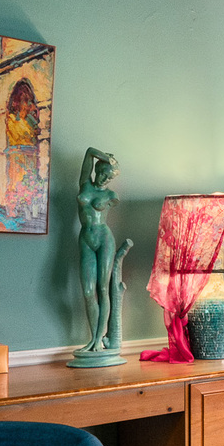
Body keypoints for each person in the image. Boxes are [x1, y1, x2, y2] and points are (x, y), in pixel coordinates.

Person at [76, 147, 120, 352]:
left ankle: (99, 340)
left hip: (104, 238)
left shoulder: (111, 194)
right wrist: (107, 158)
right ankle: (93, 338)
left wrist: (111, 166)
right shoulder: (84, 184)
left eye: (108, 177)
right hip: (85, 237)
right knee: (87, 290)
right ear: (96, 170)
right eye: (102, 173)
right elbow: (89, 152)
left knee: (103, 288)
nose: (104, 179)